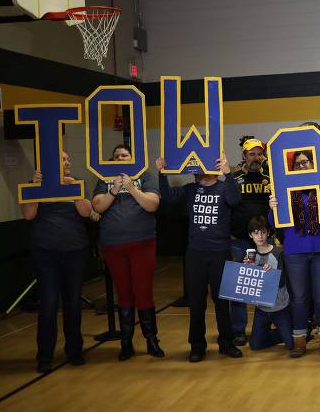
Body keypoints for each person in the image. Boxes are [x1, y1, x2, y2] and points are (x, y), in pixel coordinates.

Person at [157, 153, 243, 362]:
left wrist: (228, 173)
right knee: (196, 303)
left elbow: (235, 199)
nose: (195, 170)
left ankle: (226, 343)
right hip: (195, 254)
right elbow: (168, 196)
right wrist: (161, 173)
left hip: (219, 252)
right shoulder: (190, 190)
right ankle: (197, 346)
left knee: (222, 301)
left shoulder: (223, 187)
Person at [21, 152, 92, 373]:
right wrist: (35, 187)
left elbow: (86, 211)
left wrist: (74, 191)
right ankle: (44, 355)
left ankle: (74, 350)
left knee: (72, 302)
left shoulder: (77, 184)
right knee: (49, 304)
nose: (68, 163)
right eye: (63, 160)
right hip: (46, 252)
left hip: (74, 251)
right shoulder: (36, 186)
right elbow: (28, 215)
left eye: (69, 159)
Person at [92, 144, 163, 361]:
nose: (121, 158)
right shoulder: (104, 177)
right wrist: (113, 189)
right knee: (124, 293)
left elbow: (152, 204)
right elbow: (97, 206)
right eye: (117, 156)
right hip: (113, 246)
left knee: (143, 291)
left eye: (125, 155)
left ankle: (152, 341)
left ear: (133, 158)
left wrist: (132, 188)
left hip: (142, 243)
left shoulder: (146, 174)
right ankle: (126, 342)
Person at [268, 150, 320, 358]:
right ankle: (299, 340)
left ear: (313, 164)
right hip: (295, 251)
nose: (302, 167)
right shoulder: (285, 190)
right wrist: (273, 207)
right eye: (298, 164)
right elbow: (274, 223)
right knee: (299, 298)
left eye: (306, 162)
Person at [229, 138, 272, 346]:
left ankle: (266, 327)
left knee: (267, 287)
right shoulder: (234, 177)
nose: (255, 158)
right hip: (239, 241)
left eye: (258, 154)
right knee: (239, 288)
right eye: (251, 154)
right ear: (244, 156)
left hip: (265, 242)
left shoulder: (270, 178)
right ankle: (238, 331)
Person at [245, 216, 293, 352]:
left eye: (263, 232)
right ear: (250, 235)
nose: (259, 236)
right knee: (255, 345)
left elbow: (283, 281)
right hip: (261, 308)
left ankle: (292, 333)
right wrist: (246, 269)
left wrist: (271, 273)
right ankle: (281, 335)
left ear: (268, 233)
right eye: (255, 233)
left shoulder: (278, 253)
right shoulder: (250, 256)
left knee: (291, 345)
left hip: (280, 307)